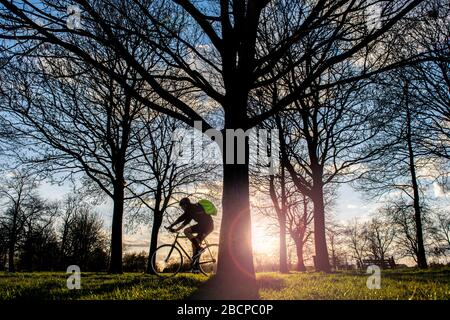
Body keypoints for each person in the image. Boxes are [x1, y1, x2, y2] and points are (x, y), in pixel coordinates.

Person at [168, 197, 214, 271]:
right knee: (194, 243)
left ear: (185, 205)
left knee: (186, 231)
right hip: (203, 226)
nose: (182, 208)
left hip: (207, 226)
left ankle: (199, 249)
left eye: (182, 206)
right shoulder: (191, 210)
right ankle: (195, 267)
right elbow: (185, 222)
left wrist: (171, 226)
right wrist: (175, 229)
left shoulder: (191, 208)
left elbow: (181, 218)